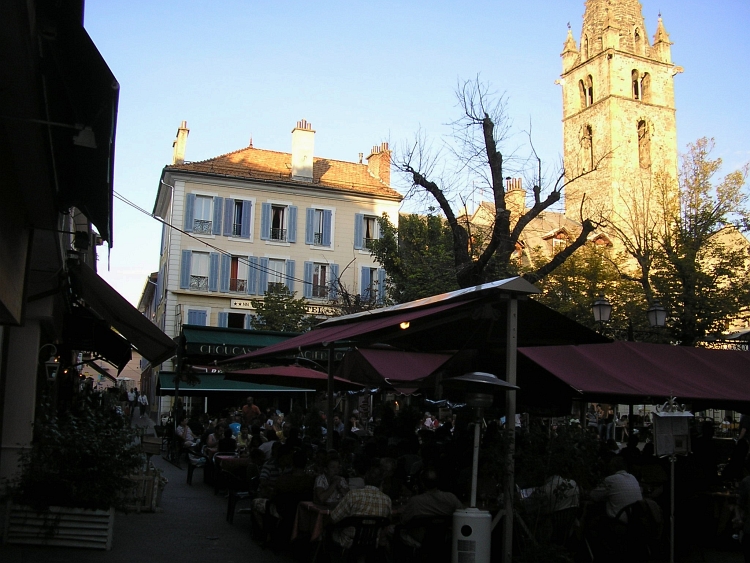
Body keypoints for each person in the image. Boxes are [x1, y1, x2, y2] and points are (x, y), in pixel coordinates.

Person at [330, 466, 392, 549]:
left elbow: (334, 518)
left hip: (349, 541)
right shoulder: (387, 500)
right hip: (373, 542)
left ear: (365, 478)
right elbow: (387, 523)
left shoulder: (353, 495)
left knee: (330, 531)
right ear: (382, 482)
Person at [399, 470, 462, 546]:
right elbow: (462, 514)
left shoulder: (416, 501)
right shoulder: (451, 498)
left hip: (420, 539)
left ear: (422, 483)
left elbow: (403, 520)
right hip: (445, 538)